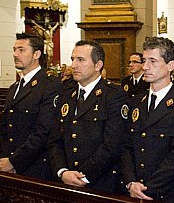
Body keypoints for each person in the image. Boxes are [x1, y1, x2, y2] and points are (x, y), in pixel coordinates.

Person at [121, 37, 174, 203]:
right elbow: (126, 146)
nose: (145, 67)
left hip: (167, 196)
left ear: (171, 66)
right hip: (133, 192)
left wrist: (148, 188)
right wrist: (130, 182)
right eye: (144, 61)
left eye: (153, 61)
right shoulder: (136, 103)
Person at [48, 40, 128, 193]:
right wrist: (62, 171)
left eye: (81, 60)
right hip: (66, 180)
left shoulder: (113, 95)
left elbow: (112, 145)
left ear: (98, 65)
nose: (74, 65)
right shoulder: (66, 95)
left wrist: (83, 176)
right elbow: (55, 140)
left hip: (100, 183)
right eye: (72, 59)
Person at [0, 33, 62, 179]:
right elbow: (5, 128)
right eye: (14, 49)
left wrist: (14, 161)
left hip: (35, 167)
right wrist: (4, 159)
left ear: (36, 54)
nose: (15, 54)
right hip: (9, 166)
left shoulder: (49, 85)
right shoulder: (14, 88)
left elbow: (43, 131)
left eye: (21, 50)